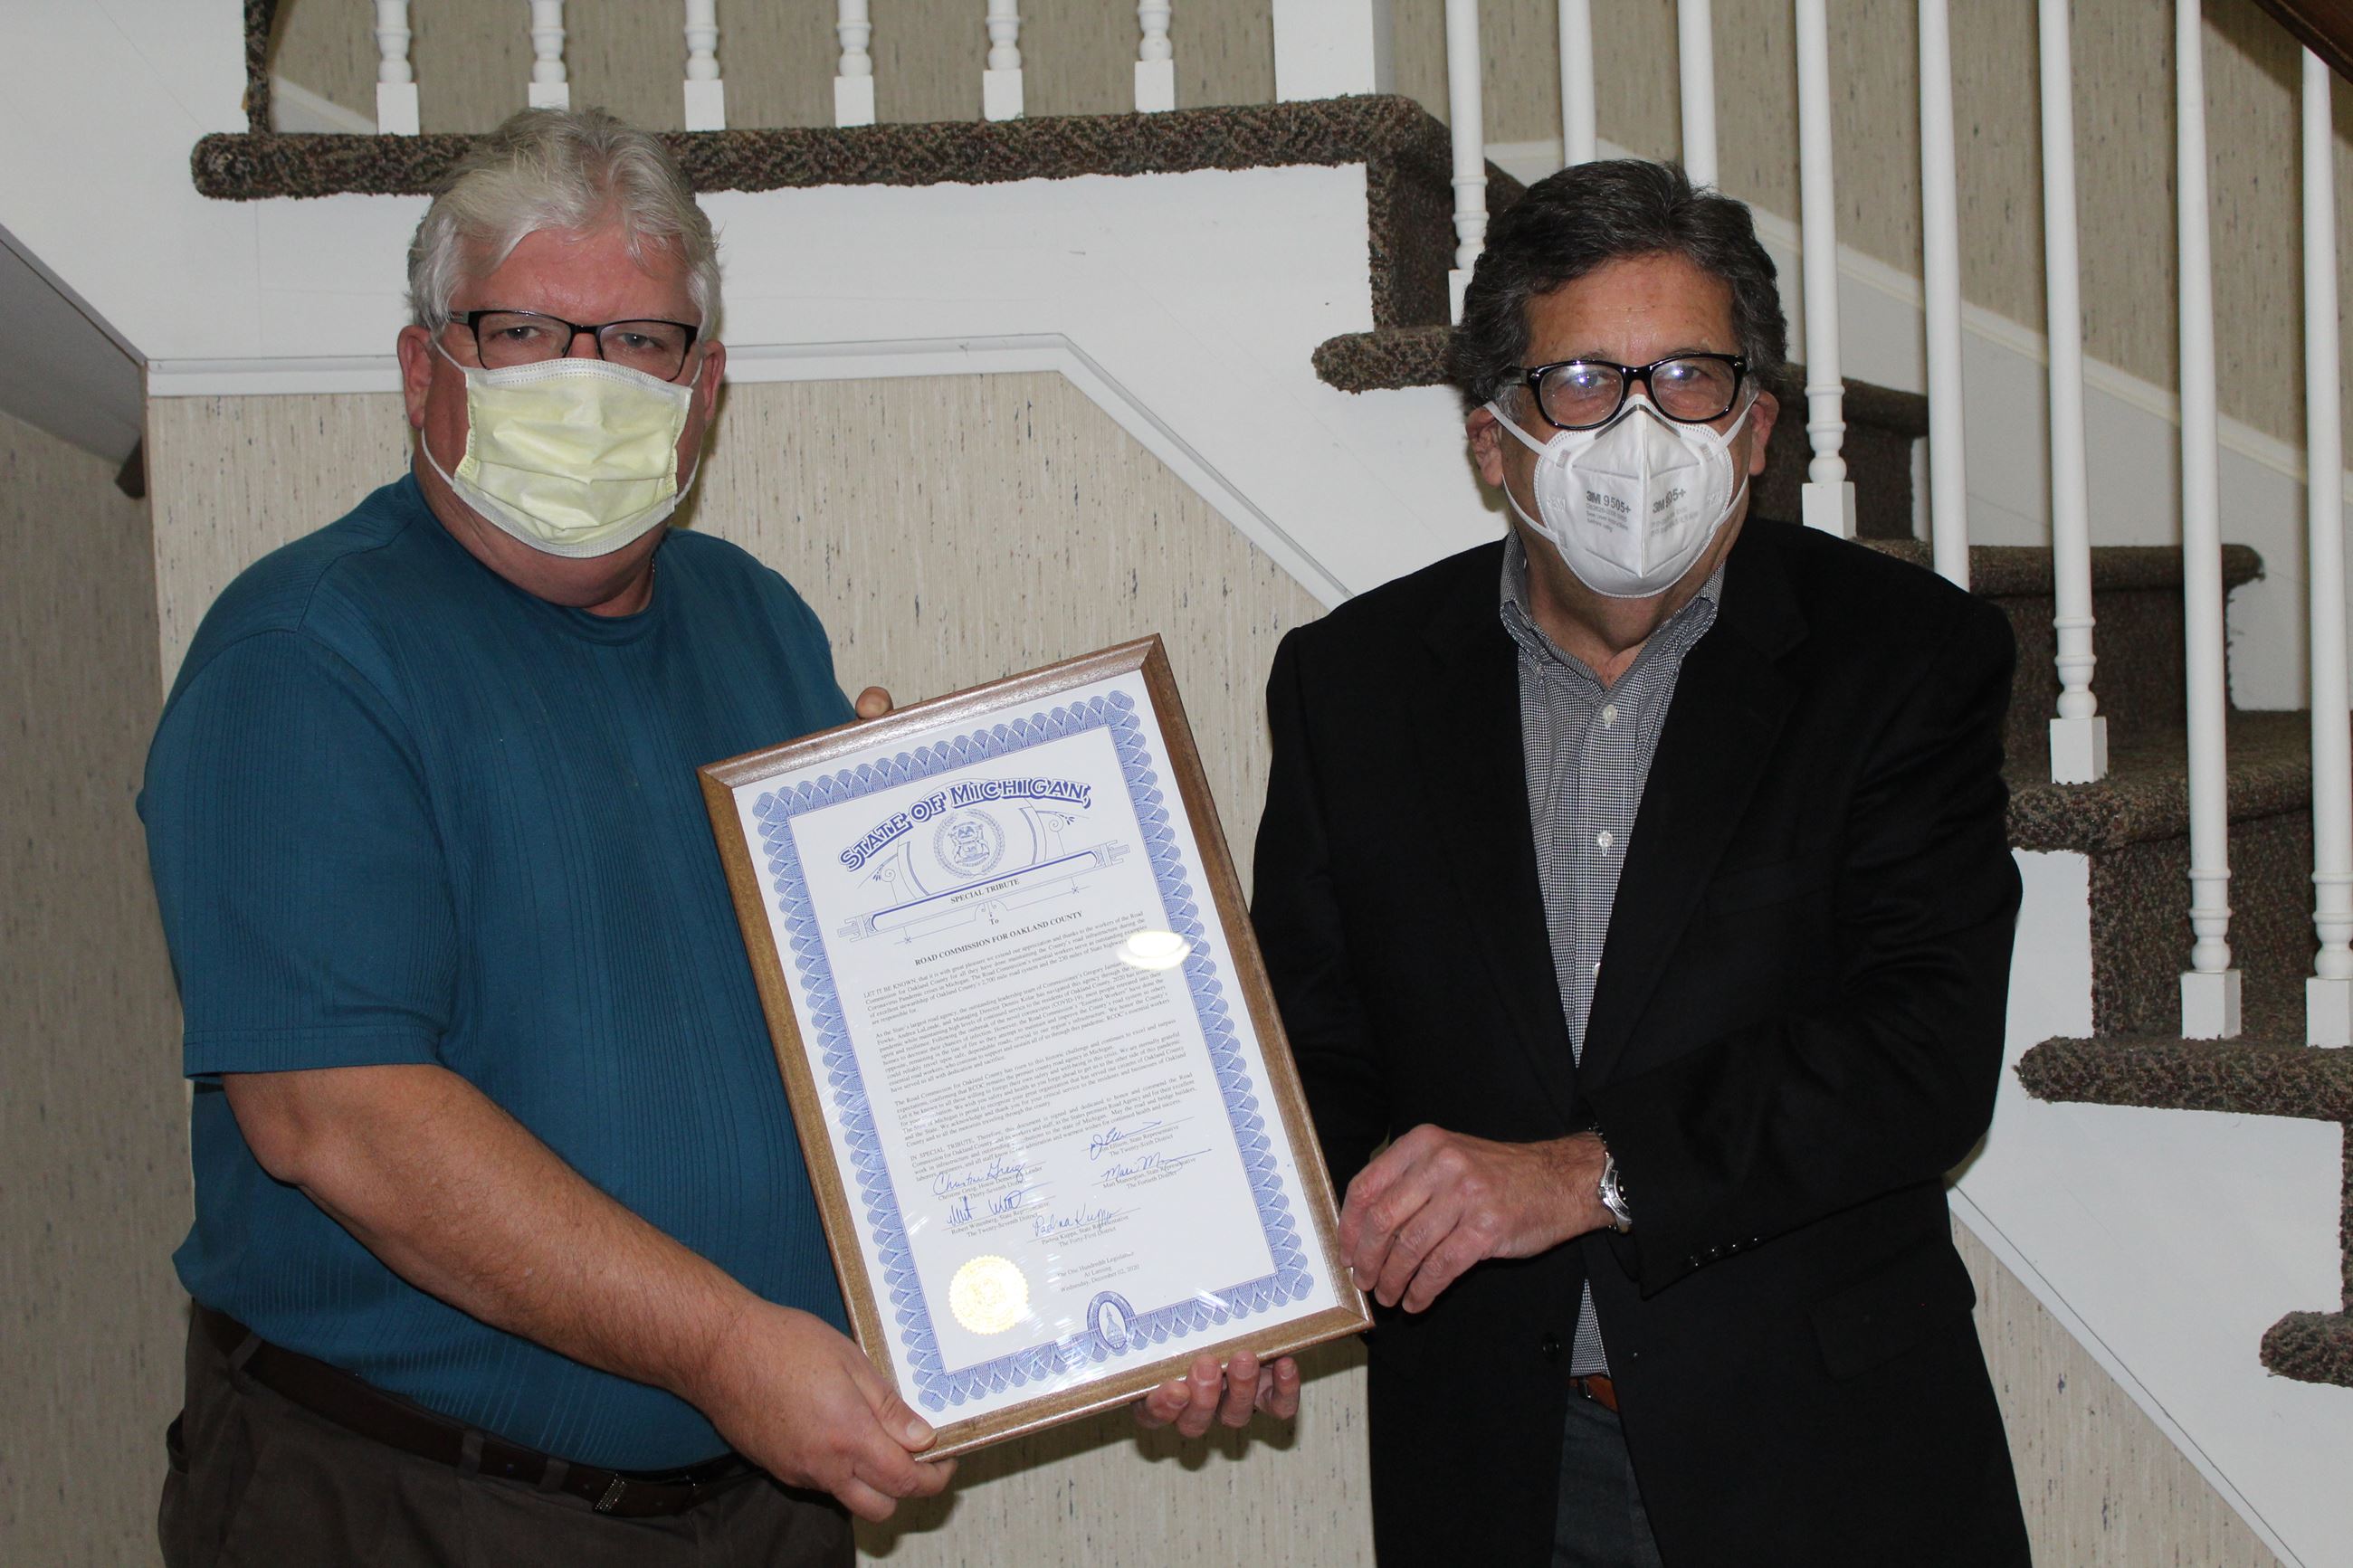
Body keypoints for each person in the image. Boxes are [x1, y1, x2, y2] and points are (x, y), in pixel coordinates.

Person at [142, 107, 1288, 1568]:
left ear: (708, 386)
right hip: (410, 1503)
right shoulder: (308, 653)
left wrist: (1146, 1286)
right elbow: (335, 1116)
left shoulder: (758, 622)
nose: (589, 382)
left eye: (641, 342)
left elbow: (874, 1051)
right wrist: (729, 1349)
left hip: (748, 1507)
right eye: (524, 333)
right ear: (423, 370)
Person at [1251, 158, 2030, 1567]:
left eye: (1685, 378)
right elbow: (1310, 1052)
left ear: (1756, 429)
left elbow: (1924, 1050)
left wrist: (1589, 1172)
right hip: (1498, 1459)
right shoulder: (1348, 684)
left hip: (1825, 1460)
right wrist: (1248, 1288)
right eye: (1583, 382)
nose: (1638, 429)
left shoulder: (1906, 659)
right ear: (1493, 438)